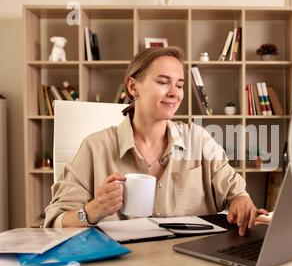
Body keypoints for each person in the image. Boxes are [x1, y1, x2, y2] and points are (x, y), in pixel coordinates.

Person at [43, 46, 267, 236]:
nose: (174, 93)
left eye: (179, 85)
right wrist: (94, 209)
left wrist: (241, 201)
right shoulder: (96, 147)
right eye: (163, 82)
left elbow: (236, 193)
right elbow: (54, 222)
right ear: (133, 87)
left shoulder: (199, 140)